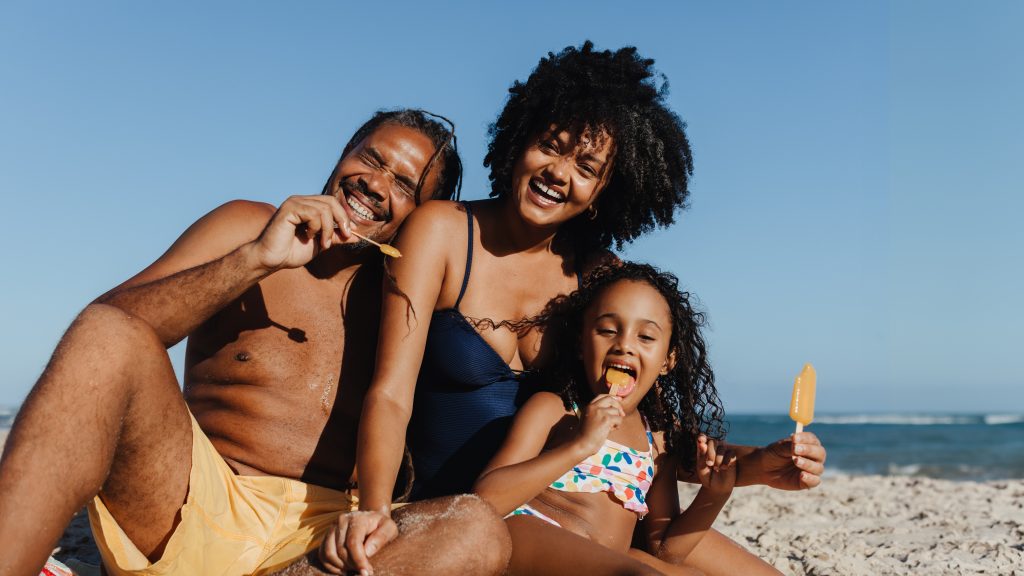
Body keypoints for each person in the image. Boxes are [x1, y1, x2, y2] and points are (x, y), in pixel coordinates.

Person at [339, 43, 825, 575]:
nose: (559, 173)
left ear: (602, 193)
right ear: (519, 140)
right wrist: (375, 511)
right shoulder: (444, 231)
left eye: (587, 167)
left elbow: (648, 437)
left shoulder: (598, 275)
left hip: (578, 503)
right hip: (475, 510)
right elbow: (390, 392)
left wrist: (762, 464)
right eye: (551, 146)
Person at [0, 109, 511, 576]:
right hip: (190, 503)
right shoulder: (249, 225)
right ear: (342, 157)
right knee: (108, 330)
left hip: (321, 538)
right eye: (369, 159)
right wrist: (255, 260)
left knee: (475, 526)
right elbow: (108, 329)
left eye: (404, 184)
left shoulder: (412, 299)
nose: (375, 185)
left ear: (425, 213)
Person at [476, 261, 738, 575]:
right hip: (530, 536)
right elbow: (485, 499)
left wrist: (714, 495)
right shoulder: (555, 410)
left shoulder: (655, 442)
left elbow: (665, 550)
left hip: (607, 562)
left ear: (668, 361)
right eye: (608, 330)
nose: (624, 345)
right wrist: (580, 445)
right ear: (581, 345)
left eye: (646, 337)